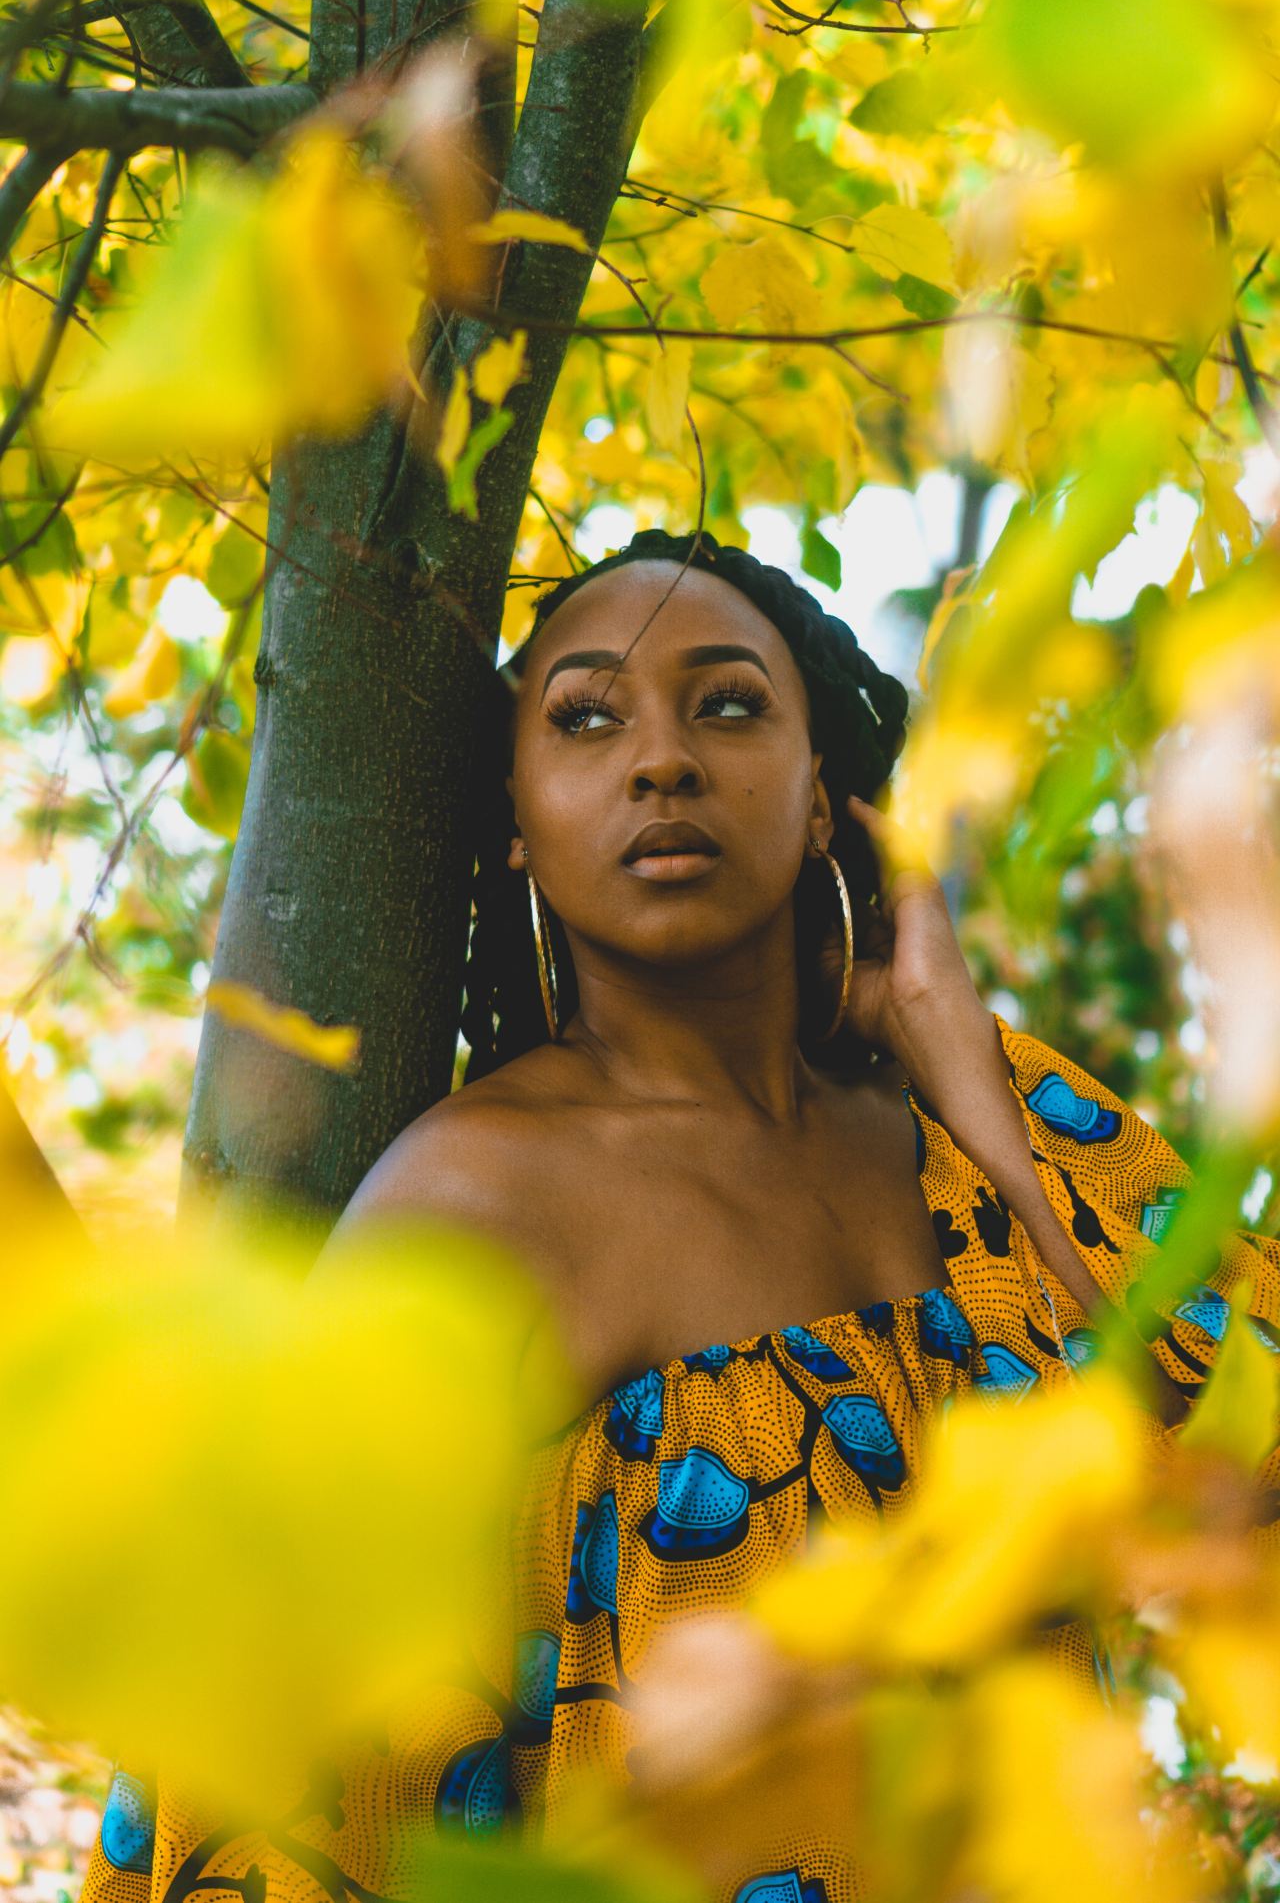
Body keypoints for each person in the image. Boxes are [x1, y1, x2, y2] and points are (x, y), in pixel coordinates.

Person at [80, 528, 1280, 1903]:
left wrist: (971, 1067)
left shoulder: (946, 1140)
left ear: (826, 797)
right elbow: (276, 1771)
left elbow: (1244, 1455)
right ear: (519, 821)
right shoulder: (481, 1200)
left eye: (728, 702)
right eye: (587, 716)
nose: (662, 758)